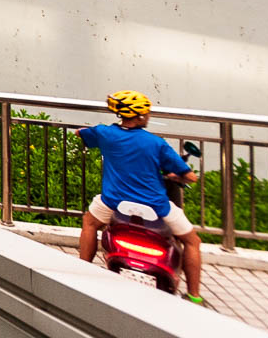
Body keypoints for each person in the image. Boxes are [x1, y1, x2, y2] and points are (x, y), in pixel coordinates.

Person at [76, 89, 204, 304]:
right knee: (192, 241)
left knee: (89, 223)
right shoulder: (156, 143)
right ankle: (194, 296)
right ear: (142, 116)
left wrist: (89, 133)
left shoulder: (104, 134)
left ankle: (82, 272)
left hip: (115, 203)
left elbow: (81, 134)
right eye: (147, 112)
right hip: (156, 208)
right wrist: (176, 176)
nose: (149, 116)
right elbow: (190, 176)